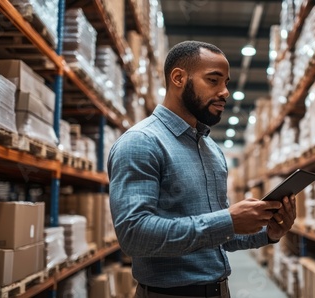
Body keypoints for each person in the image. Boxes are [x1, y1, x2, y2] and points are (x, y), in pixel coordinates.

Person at [107, 40, 296, 298]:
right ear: (178, 78)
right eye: (213, 80)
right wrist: (227, 220)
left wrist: (268, 233)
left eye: (226, 83)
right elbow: (134, 234)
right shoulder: (141, 143)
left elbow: (216, 237)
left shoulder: (211, 150)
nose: (225, 92)